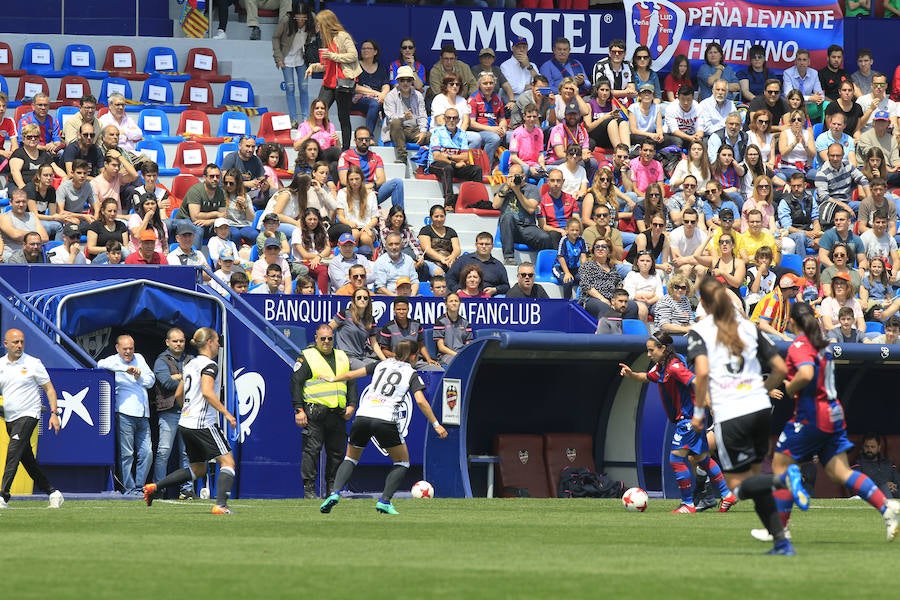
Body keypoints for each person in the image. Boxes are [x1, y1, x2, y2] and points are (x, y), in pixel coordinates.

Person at [759, 302, 900, 544]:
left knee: (780, 464)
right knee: (840, 472)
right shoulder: (821, 345)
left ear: (791, 322)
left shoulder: (800, 345)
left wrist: (790, 388)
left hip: (812, 414)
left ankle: (779, 529)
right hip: (833, 413)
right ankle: (887, 509)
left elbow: (805, 374)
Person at [687, 277, 799, 555]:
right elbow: (781, 370)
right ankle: (781, 543)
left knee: (736, 487)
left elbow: (701, 373)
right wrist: (760, 390)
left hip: (731, 412)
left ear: (702, 302)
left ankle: (783, 482)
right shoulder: (749, 328)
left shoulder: (699, 330)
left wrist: (700, 412)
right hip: (760, 410)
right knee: (753, 480)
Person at [319, 340, 448, 515]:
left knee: (350, 458)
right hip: (385, 419)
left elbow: (351, 375)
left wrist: (332, 378)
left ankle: (334, 493)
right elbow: (420, 400)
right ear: (412, 355)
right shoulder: (411, 373)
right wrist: (436, 424)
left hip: (363, 415)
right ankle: (384, 501)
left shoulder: (381, 364)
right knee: (402, 462)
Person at [620, 331, 736, 513]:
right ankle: (727, 494)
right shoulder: (662, 366)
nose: (649, 354)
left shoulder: (674, 367)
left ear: (663, 348)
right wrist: (631, 374)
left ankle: (687, 504)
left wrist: (710, 405)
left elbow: (697, 382)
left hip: (689, 420)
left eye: (651, 351)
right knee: (702, 458)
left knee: (675, 459)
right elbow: (646, 377)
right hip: (692, 418)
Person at [143, 328, 237, 514]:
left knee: (198, 468)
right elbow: (207, 392)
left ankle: (154, 487)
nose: (219, 344)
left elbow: (179, 393)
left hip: (186, 422)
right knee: (228, 462)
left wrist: (186, 409)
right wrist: (227, 413)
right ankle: (220, 505)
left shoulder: (191, 364)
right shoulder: (210, 365)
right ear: (209, 342)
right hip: (203, 423)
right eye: (217, 341)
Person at [0, 328, 65, 510]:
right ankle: (53, 492)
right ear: (6, 344)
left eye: (21, 341)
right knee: (26, 460)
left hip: (29, 414)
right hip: (10, 419)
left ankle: (3, 496)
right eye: (15, 342)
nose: (19, 345)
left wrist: (54, 413)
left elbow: (50, 389)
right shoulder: (1, 365)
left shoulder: (33, 363)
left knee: (12, 453)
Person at [291, 323, 354, 498]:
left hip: (338, 414)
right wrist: (299, 409)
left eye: (329, 338)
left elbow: (351, 382)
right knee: (312, 452)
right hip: (314, 413)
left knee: (337, 453)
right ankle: (309, 489)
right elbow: (296, 383)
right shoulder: (307, 356)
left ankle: (333, 489)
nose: (326, 342)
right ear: (316, 339)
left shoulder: (342, 356)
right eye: (323, 338)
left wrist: (352, 405)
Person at [98, 335, 155, 495]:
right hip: (124, 412)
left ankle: (139, 486)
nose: (128, 352)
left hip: (143, 413)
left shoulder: (140, 358)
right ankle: (129, 489)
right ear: (117, 348)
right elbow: (100, 364)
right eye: (125, 349)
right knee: (127, 453)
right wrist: (125, 369)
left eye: (131, 348)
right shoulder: (113, 360)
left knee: (147, 453)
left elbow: (150, 381)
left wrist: (138, 376)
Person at [305, 9, 360, 151]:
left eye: (319, 23)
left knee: (343, 116)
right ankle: (317, 143)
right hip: (328, 83)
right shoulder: (325, 38)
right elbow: (326, 65)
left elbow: (353, 56)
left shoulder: (343, 36)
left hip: (343, 82)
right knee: (318, 112)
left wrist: (334, 56)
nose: (317, 26)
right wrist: (313, 67)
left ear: (326, 23)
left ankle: (345, 149)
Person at [150, 328, 195, 501]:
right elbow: (166, 382)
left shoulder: (191, 359)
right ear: (167, 342)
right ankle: (158, 488)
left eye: (181, 341)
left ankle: (187, 490)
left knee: (187, 454)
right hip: (169, 412)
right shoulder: (161, 360)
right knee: (163, 452)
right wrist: (185, 378)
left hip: (189, 412)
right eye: (175, 341)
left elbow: (197, 381)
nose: (178, 344)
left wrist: (178, 376)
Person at [426, 108, 482, 211]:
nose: (451, 120)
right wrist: (454, 163)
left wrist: (448, 156)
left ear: (458, 120)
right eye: (449, 118)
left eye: (454, 118)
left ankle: (477, 202)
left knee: (477, 170)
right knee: (447, 168)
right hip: (436, 164)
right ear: (444, 119)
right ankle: (449, 204)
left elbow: (465, 156)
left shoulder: (462, 134)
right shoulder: (437, 132)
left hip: (453, 164)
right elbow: (437, 156)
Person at [338, 126, 404, 209]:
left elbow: (382, 179)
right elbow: (344, 181)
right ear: (355, 141)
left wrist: (371, 187)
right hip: (352, 193)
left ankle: (398, 216)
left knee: (397, 183)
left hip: (371, 191)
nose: (364, 142)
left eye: (367, 139)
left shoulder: (376, 157)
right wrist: (363, 189)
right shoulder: (345, 156)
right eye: (361, 139)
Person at [272, 2, 313, 127]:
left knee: (304, 87)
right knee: (290, 88)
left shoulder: (312, 19)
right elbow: (275, 38)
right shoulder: (286, 21)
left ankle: (306, 118)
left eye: (303, 18)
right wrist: (278, 57)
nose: (300, 21)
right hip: (287, 57)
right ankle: (293, 119)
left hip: (302, 57)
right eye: (298, 18)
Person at [578, 239, 639, 319]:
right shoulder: (587, 266)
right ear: (593, 250)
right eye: (597, 247)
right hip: (592, 299)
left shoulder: (612, 267)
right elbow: (586, 286)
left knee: (632, 306)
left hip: (611, 299)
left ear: (608, 251)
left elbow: (619, 283)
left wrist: (616, 299)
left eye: (603, 247)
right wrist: (602, 299)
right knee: (605, 308)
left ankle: (626, 330)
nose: (600, 249)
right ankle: (605, 330)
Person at [381, 65, 429, 163]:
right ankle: (402, 156)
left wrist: (423, 132)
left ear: (412, 81)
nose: (405, 83)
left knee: (434, 136)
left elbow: (423, 116)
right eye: (402, 80)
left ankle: (426, 161)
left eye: (408, 80)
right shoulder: (390, 96)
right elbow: (390, 119)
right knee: (396, 122)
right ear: (398, 81)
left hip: (414, 130)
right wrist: (404, 117)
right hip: (397, 130)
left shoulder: (418, 95)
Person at [328, 287, 385, 368]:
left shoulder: (370, 320)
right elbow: (327, 330)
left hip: (362, 357)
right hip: (345, 357)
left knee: (382, 367)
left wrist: (385, 361)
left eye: (365, 298)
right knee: (367, 369)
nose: (362, 300)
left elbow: (374, 344)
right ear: (354, 300)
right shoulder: (344, 314)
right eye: (359, 297)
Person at [172, 164, 226, 249]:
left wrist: (210, 221)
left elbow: (222, 216)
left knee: (227, 230)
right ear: (204, 177)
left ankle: (225, 258)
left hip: (207, 223)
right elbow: (195, 217)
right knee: (199, 230)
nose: (215, 179)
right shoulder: (195, 190)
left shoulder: (221, 193)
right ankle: (195, 258)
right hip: (185, 220)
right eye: (212, 176)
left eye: (218, 176)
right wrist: (215, 213)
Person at [8, 123, 66, 192]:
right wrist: (25, 189)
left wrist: (65, 178)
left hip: (39, 188)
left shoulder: (43, 155)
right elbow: (15, 172)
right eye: (29, 137)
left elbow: (56, 169)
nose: (33, 139)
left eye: (36, 137)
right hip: (18, 187)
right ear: (23, 138)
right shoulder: (18, 153)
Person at [467, 71, 507, 165]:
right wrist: (492, 129)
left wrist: (503, 128)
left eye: (491, 83)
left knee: (514, 136)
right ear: (479, 85)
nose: (488, 86)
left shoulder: (497, 98)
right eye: (485, 83)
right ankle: (485, 168)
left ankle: (511, 169)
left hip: (496, 130)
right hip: (480, 132)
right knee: (494, 138)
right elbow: (471, 124)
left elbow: (502, 119)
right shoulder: (473, 99)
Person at [351, 39, 390, 135]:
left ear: (375, 52)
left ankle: (388, 137)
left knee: (389, 103)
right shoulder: (356, 66)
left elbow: (386, 85)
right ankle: (369, 136)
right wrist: (376, 93)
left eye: (368, 48)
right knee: (374, 103)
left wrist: (383, 95)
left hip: (378, 98)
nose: (365, 50)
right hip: (359, 99)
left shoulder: (381, 68)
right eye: (363, 48)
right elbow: (354, 87)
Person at [0, 188, 48, 261]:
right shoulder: (4, 217)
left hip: (33, 254)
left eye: (24, 202)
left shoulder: (32, 216)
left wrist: (24, 237)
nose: (21, 205)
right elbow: (15, 235)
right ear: (10, 202)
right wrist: (35, 235)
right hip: (12, 255)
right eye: (18, 202)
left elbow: (44, 237)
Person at [292, 207, 331, 294]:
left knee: (337, 264)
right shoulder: (297, 232)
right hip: (303, 261)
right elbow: (304, 254)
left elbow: (328, 247)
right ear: (304, 220)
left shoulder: (323, 230)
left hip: (320, 259)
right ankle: (322, 295)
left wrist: (319, 257)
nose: (312, 222)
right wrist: (318, 257)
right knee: (323, 270)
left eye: (315, 219)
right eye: (309, 219)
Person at [293, 100, 341, 166]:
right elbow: (296, 147)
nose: (320, 110)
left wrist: (337, 140)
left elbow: (337, 150)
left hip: (326, 159)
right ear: (312, 111)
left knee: (335, 164)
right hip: (312, 156)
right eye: (317, 108)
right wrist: (311, 133)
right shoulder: (304, 125)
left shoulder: (330, 126)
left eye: (322, 108)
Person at [782, 50, 825, 122]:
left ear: (809, 62)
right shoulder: (788, 73)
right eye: (799, 60)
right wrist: (810, 98)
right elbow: (788, 95)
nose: (802, 63)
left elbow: (821, 95)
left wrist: (818, 99)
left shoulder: (814, 73)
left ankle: (825, 130)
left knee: (826, 105)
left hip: (808, 107)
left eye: (804, 60)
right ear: (795, 62)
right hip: (793, 107)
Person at [24, 164, 63, 241]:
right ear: (39, 176)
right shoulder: (30, 188)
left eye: (51, 175)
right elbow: (34, 215)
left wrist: (65, 218)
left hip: (41, 219)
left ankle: (57, 249)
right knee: (47, 227)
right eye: (45, 175)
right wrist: (53, 217)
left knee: (60, 224)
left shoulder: (51, 190)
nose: (49, 178)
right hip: (27, 219)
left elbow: (52, 213)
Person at [418, 204, 461, 277]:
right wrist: (442, 259)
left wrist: (452, 257)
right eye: (436, 216)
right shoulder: (425, 230)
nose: (439, 219)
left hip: (449, 260)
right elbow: (427, 249)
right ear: (431, 217)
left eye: (442, 216)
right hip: (431, 262)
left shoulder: (451, 231)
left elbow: (457, 249)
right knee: (438, 272)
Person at [854, 434, 900, 499]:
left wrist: (893, 486)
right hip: (873, 495)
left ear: (879, 448)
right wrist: (884, 485)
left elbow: (898, 480)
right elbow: (858, 483)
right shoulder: (858, 464)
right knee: (885, 488)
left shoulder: (888, 463)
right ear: (863, 447)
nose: (869, 449)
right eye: (866, 446)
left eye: (872, 447)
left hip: (894, 493)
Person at [374, 231, 419, 296]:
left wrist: (412, 296)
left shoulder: (408, 260)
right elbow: (380, 287)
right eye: (390, 244)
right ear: (386, 246)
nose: (394, 247)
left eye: (397, 244)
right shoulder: (380, 262)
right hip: (388, 298)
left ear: (402, 245)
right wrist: (396, 298)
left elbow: (414, 282)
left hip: (408, 296)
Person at [433, 292, 472, 365]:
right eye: (451, 301)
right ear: (446, 304)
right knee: (457, 362)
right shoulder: (440, 321)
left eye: (456, 301)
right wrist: (457, 355)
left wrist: (463, 355)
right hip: (445, 355)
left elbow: (468, 344)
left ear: (460, 303)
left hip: (462, 354)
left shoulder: (465, 322)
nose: (454, 303)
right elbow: (441, 347)